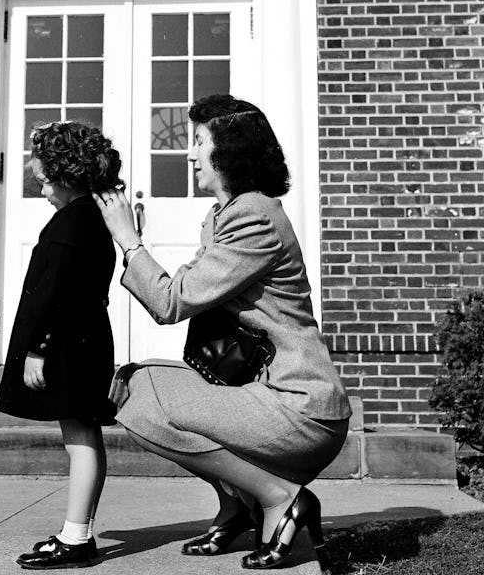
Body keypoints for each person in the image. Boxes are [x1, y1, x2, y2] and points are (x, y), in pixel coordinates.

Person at [93, 94, 351, 571]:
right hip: (264, 398)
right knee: (138, 379)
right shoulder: (225, 216)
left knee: (138, 395)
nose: (190, 153)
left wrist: (128, 239)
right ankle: (237, 510)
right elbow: (183, 290)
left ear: (228, 152)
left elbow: (171, 301)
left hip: (300, 409)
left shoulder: (253, 218)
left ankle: (280, 499)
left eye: (198, 142)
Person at [0, 121, 122, 570]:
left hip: (70, 343)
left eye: (47, 181)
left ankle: (76, 537)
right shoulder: (86, 217)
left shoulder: (74, 222)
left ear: (67, 175)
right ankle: (76, 532)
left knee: (80, 436)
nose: (43, 189)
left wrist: (38, 347)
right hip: (82, 339)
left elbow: (56, 292)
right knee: (80, 434)